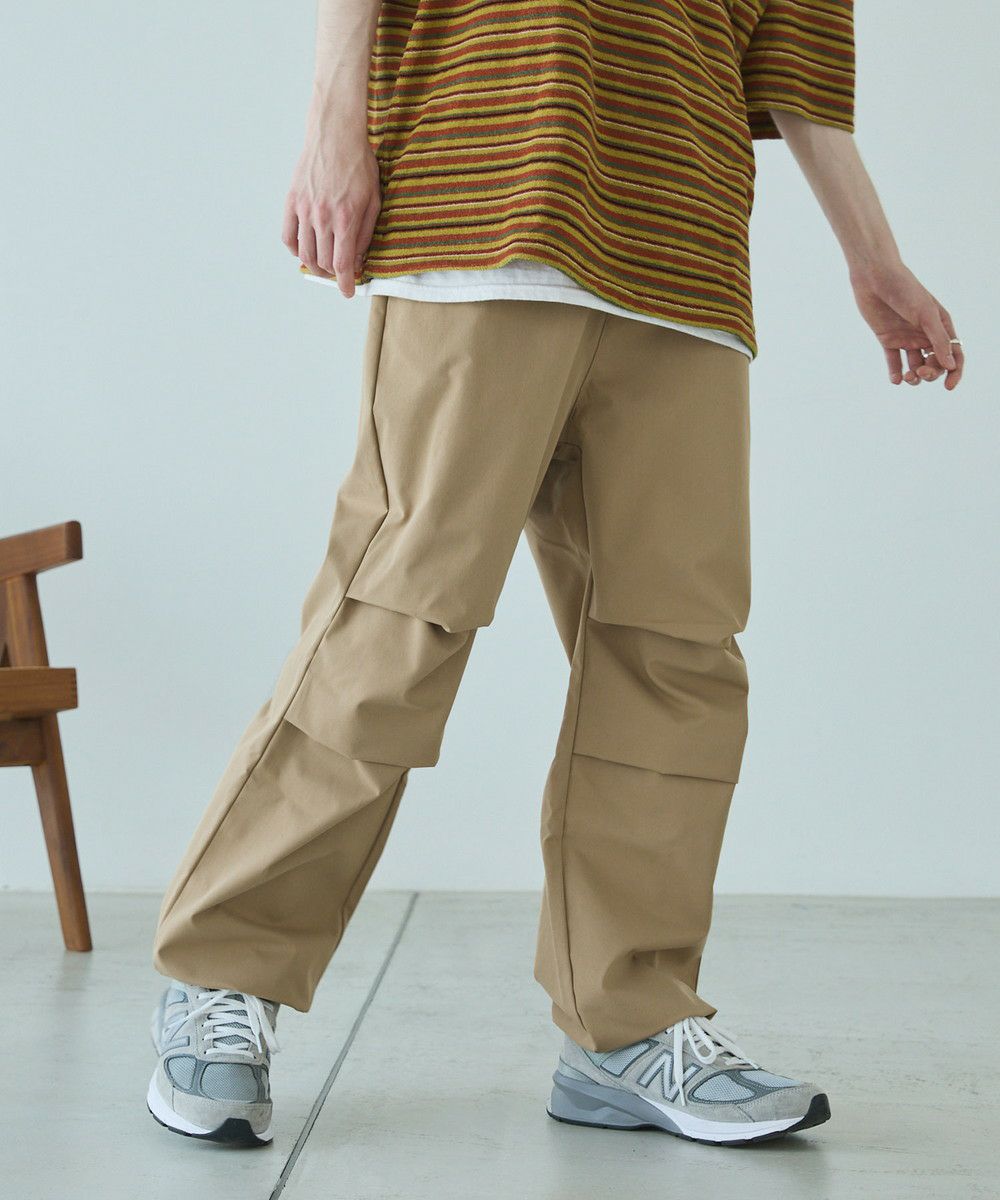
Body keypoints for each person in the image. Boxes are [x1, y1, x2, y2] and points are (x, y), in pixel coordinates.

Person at [145, 0, 963, 1149]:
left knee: (674, 654)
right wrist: (333, 125)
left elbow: (794, 58)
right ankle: (221, 975)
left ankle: (626, 1023)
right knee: (396, 620)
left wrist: (874, 257)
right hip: (482, 198)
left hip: (682, 252)